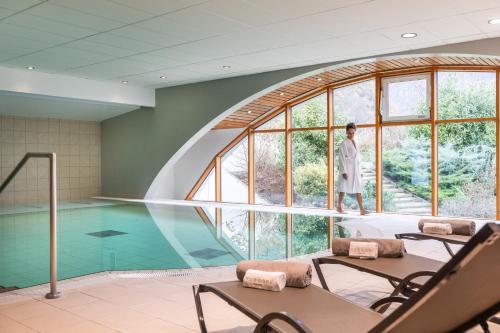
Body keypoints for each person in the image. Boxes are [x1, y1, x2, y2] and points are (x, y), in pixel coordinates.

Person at [337, 122, 369, 215]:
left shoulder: (355, 142)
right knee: (343, 188)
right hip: (348, 169)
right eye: (349, 133)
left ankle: (362, 209)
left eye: (353, 133)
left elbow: (358, 157)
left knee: (358, 188)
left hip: (356, 169)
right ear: (346, 132)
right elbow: (341, 158)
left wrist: (361, 170)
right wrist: (344, 171)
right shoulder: (344, 143)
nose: (351, 135)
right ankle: (339, 206)